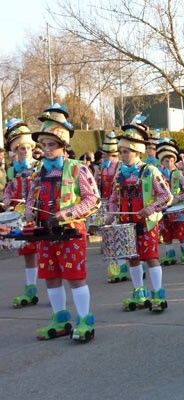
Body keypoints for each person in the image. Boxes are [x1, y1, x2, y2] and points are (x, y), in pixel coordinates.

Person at [25, 104, 100, 342]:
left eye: (52, 145)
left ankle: (84, 319)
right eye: (44, 145)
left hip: (71, 231)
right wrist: (28, 211)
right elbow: (31, 197)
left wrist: (67, 213)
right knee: (50, 275)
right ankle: (59, 318)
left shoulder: (78, 168)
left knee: (75, 276)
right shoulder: (38, 171)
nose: (47, 150)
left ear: (63, 145)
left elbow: (93, 199)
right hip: (45, 232)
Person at [107, 115, 173, 313]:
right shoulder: (119, 174)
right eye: (120, 152)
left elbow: (167, 196)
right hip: (126, 224)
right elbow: (113, 198)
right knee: (132, 258)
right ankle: (139, 292)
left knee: (151, 257)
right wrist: (111, 214)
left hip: (146, 223)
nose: (122, 155)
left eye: (126, 151)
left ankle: (158, 293)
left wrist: (150, 208)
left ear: (137, 151)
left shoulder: (150, 171)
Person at [4, 118, 40, 308]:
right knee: (28, 252)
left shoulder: (39, 167)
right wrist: (7, 200)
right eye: (20, 148)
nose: (25, 151)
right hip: (21, 217)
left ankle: (56, 287)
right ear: (15, 151)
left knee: (47, 251)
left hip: (37, 214)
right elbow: (9, 190)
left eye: (27, 147)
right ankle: (31, 287)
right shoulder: (12, 171)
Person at [96, 131, 128, 283]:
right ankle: (117, 266)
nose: (103, 157)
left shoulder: (121, 167)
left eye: (105, 154)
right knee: (111, 238)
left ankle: (123, 267)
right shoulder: (102, 168)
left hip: (118, 206)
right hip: (106, 205)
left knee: (121, 237)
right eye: (103, 154)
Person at [157, 139, 184, 265]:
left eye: (172, 161)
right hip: (164, 209)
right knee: (166, 232)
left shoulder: (179, 174)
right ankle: (170, 255)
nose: (169, 163)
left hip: (178, 209)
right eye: (166, 161)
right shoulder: (157, 176)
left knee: (180, 233)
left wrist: (178, 198)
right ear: (161, 162)